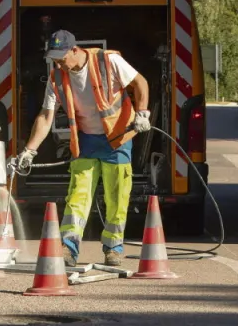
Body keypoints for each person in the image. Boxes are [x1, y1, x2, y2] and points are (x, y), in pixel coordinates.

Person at [18, 30, 150, 267]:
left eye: (61, 58)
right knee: (77, 195)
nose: (59, 63)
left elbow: (141, 83)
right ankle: (68, 248)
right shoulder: (57, 77)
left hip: (117, 138)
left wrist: (142, 113)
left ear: (75, 50)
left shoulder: (108, 61)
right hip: (86, 140)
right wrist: (30, 150)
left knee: (117, 195)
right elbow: (46, 116)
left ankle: (113, 248)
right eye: (55, 59)